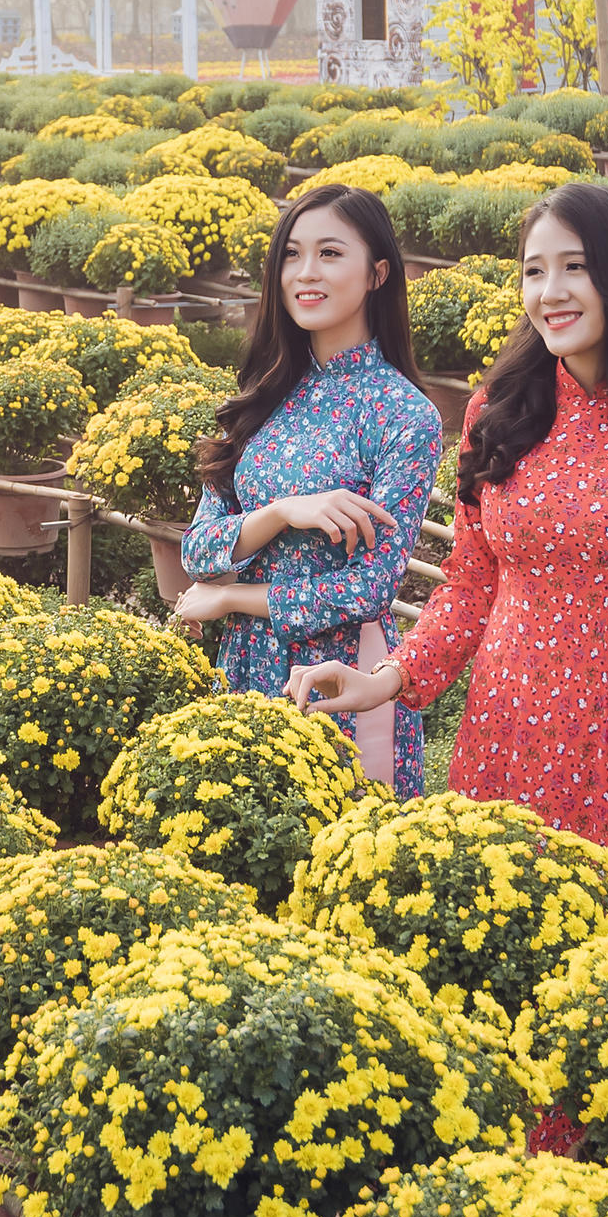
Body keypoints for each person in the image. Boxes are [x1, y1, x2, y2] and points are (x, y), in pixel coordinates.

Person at [290, 181, 608, 905]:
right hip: (503, 729)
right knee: (491, 932)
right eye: (534, 270)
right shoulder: (500, 411)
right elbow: (471, 584)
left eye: (576, 267)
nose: (550, 292)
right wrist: (383, 680)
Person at [166, 182, 445, 788]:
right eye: (292, 254)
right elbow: (198, 550)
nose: (306, 272)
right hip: (245, 669)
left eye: (330, 253)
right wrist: (282, 511)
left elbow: (368, 589)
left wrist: (233, 599)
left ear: (377, 275)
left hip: (339, 681)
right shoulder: (264, 396)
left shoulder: (404, 415)